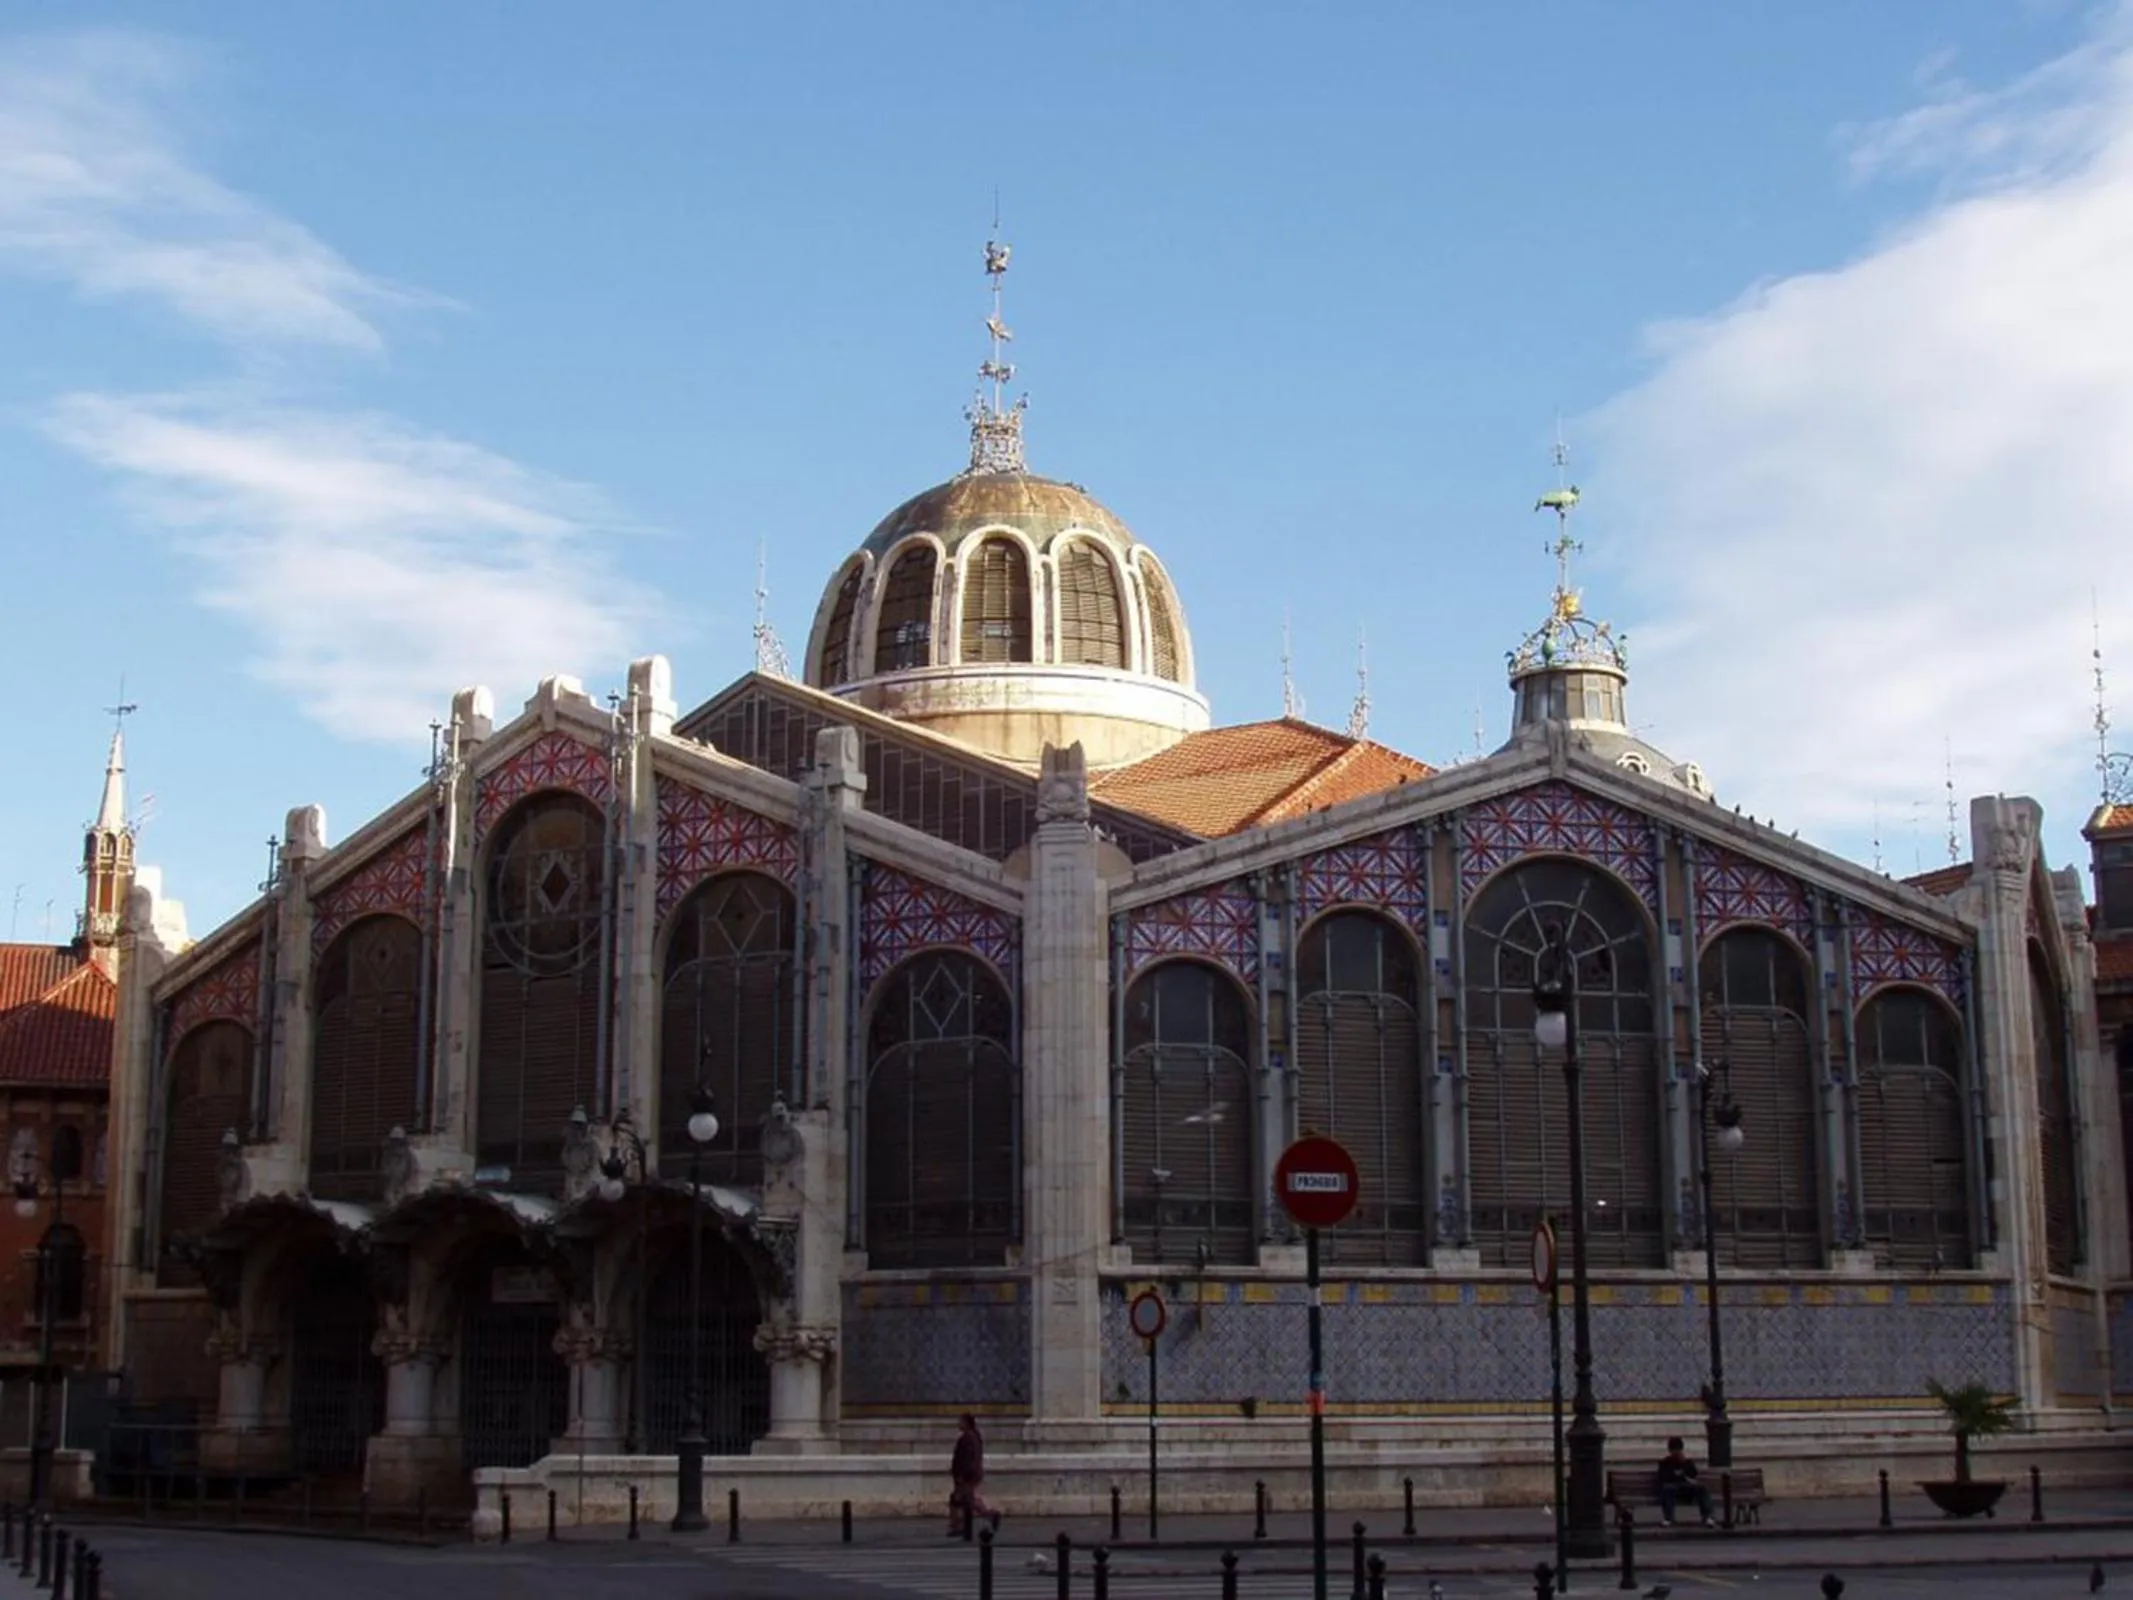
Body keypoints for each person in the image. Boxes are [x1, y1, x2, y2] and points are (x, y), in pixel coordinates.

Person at [948, 1413, 1002, 1537]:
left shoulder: (968, 1438)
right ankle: (962, 1524)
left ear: (966, 1423)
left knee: (958, 1499)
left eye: (961, 1421)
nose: (958, 1424)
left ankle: (959, 1525)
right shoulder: (974, 1437)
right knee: (967, 1500)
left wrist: (962, 1475)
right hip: (972, 1474)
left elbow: (966, 1459)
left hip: (967, 1475)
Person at [1656, 1436, 1714, 1526]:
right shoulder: (1665, 1462)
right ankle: (1668, 1518)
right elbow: (1662, 1477)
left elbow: (1693, 1474)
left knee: (1702, 1489)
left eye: (1678, 1450)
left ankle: (1707, 1517)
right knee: (1667, 1489)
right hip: (1673, 1488)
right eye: (1674, 1450)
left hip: (1686, 1487)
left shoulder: (1687, 1462)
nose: (1676, 1453)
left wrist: (1684, 1465)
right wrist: (1677, 1475)